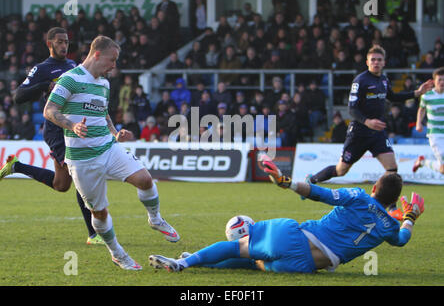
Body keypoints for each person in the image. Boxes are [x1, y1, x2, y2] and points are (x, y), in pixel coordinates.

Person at [148, 156, 424, 274]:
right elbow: (402, 240)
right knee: (252, 263)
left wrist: (287, 182)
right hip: (304, 266)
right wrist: (410, 218)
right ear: (395, 201)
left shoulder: (360, 197)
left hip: (295, 237)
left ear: (374, 187)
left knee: (238, 246)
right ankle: (194, 261)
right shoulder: (390, 226)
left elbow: (321, 194)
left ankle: (185, 262)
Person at [43, 35, 180, 270]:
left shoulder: (103, 83)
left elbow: (103, 112)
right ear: (97, 54)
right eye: (112, 59)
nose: (114, 65)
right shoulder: (70, 79)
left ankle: (155, 219)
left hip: (108, 147)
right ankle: (117, 253)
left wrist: (115, 132)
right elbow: (49, 110)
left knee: (145, 179)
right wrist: (72, 125)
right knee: (100, 211)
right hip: (82, 159)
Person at [0, 27, 103, 245]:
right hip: (56, 129)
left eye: (66, 41)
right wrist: (45, 85)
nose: (64, 46)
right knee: (79, 175)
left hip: (74, 126)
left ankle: (16, 167)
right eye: (59, 42)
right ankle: (94, 234)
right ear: (50, 44)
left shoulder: (73, 66)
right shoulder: (42, 68)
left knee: (61, 184)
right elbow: (18, 96)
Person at [308, 45, 433, 187]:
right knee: (341, 170)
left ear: (384, 63)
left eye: (379, 60)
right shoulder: (360, 81)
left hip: (377, 132)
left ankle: (386, 202)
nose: (376, 62)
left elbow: (393, 97)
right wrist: (367, 122)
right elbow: (352, 109)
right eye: (373, 60)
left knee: (392, 169)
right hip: (359, 132)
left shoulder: (384, 80)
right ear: (367, 62)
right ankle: (312, 180)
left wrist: (417, 93)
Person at [413, 67, 444, 175]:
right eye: (439, 79)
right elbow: (421, 109)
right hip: (436, 134)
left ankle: (422, 162)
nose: (442, 82)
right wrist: (418, 123)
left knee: (443, 169)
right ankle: (423, 162)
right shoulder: (427, 96)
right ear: (434, 81)